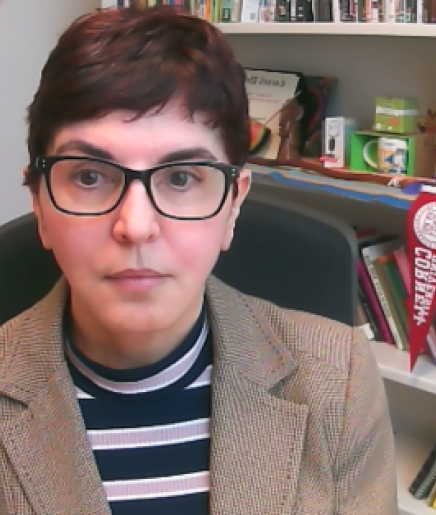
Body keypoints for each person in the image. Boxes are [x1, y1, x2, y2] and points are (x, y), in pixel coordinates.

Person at [0, 6, 397, 515]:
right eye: (90, 176)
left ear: (233, 205)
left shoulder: (337, 380)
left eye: (182, 177)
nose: (136, 225)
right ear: (39, 205)